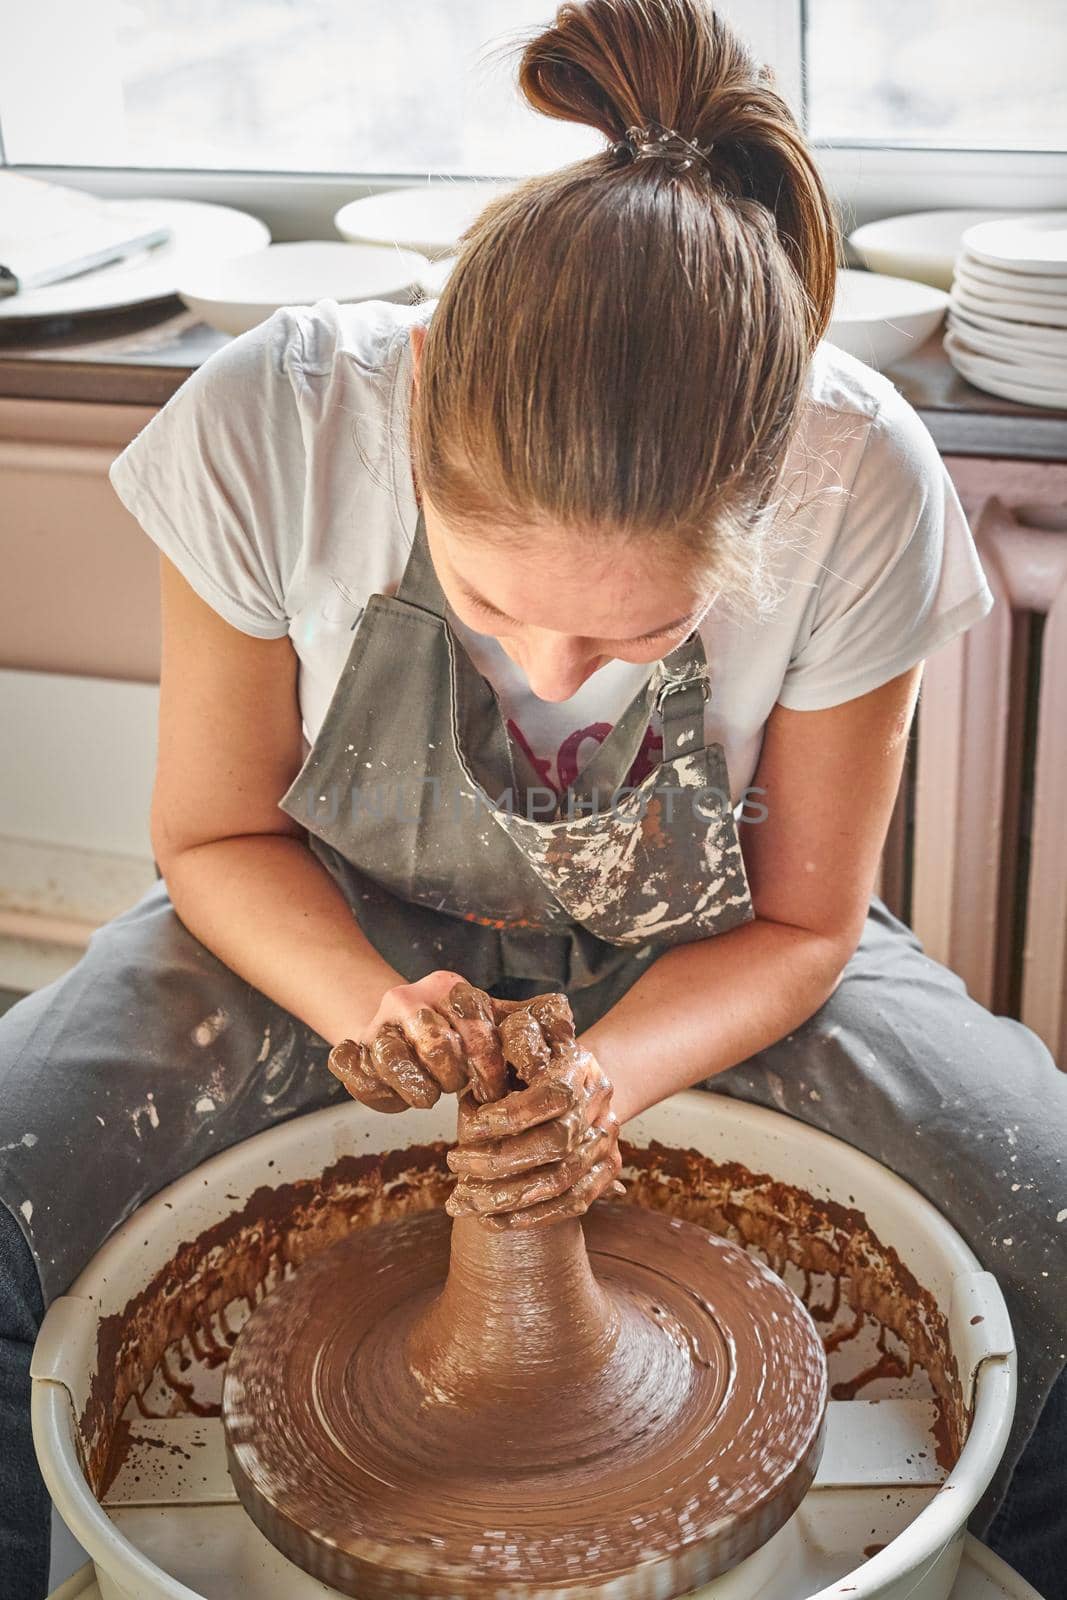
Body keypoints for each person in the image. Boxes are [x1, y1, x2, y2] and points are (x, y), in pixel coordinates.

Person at [1, 2, 1064, 1596]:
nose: (561, 669)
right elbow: (215, 837)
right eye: (496, 605)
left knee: (1044, 1197)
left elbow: (804, 924)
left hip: (699, 954)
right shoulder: (275, 420)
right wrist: (370, 1001)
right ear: (420, 389)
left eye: (637, 636)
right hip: (322, 919)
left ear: (775, 478)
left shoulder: (862, 472)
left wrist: (599, 1085)